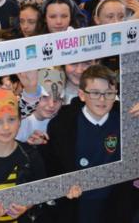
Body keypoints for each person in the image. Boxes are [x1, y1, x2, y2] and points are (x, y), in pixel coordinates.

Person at [0, 88, 81, 223]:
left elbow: (41, 194)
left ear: (19, 121)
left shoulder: (30, 155)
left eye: (11, 119)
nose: (6, 127)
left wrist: (28, 205)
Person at [41, 64, 128, 223]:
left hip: (115, 204)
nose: (102, 99)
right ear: (81, 94)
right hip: (76, 205)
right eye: (95, 93)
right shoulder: (61, 125)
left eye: (109, 93)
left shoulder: (125, 120)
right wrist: (61, 187)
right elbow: (51, 166)